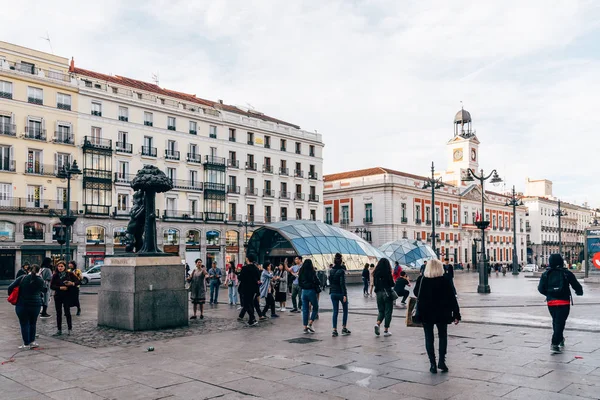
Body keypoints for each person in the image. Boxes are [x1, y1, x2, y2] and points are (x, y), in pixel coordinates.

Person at [414, 258, 461, 374]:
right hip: (442, 312)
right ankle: (441, 362)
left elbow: (416, 293)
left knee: (429, 338)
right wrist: (456, 314)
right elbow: (452, 298)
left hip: (426, 313)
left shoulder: (422, 280)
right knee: (443, 336)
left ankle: (432, 364)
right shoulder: (445, 279)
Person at [538, 253, 583, 353]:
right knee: (560, 322)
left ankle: (560, 339)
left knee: (556, 321)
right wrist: (579, 292)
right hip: (564, 301)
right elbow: (576, 284)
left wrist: (549, 294)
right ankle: (554, 344)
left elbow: (540, 289)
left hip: (551, 302)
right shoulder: (566, 273)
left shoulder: (546, 274)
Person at [8, 264, 46, 349]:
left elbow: (10, 287)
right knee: (33, 323)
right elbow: (45, 290)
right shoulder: (40, 280)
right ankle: (32, 341)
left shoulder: (22, 278)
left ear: (28, 270)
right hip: (36, 304)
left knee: (24, 323)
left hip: (22, 304)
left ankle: (26, 343)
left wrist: (12, 295)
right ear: (39, 271)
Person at [50, 261, 79, 336]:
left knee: (67, 312)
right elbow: (52, 286)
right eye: (59, 266)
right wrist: (60, 287)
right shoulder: (55, 275)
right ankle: (59, 329)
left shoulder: (69, 274)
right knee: (58, 313)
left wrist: (71, 283)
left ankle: (70, 329)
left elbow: (78, 281)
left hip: (67, 295)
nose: (60, 268)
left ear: (64, 267)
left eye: (62, 266)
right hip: (58, 296)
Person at [329, 253, 351, 337]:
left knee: (335, 311)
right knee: (345, 310)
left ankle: (334, 330)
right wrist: (344, 294)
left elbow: (330, 282)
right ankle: (344, 328)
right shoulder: (341, 271)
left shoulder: (331, 271)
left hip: (333, 293)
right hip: (340, 293)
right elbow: (342, 283)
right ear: (341, 262)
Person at [238, 254, 262, 326]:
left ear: (247, 259)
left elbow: (241, 278)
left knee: (246, 304)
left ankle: (252, 318)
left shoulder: (245, 268)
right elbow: (258, 278)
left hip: (245, 288)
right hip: (254, 289)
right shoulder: (256, 268)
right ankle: (251, 319)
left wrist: (239, 274)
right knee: (250, 303)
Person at [373, 258, 394, 337]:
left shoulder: (376, 274)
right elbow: (392, 284)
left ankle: (377, 324)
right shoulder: (387, 273)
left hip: (378, 294)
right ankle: (386, 330)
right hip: (387, 293)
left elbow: (375, 284)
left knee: (381, 311)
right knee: (388, 311)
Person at [298, 259, 320, 333]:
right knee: (315, 307)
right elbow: (317, 281)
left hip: (303, 291)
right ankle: (310, 323)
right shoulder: (312, 271)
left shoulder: (301, 271)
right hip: (311, 291)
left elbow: (299, 282)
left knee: (305, 309)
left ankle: (305, 326)